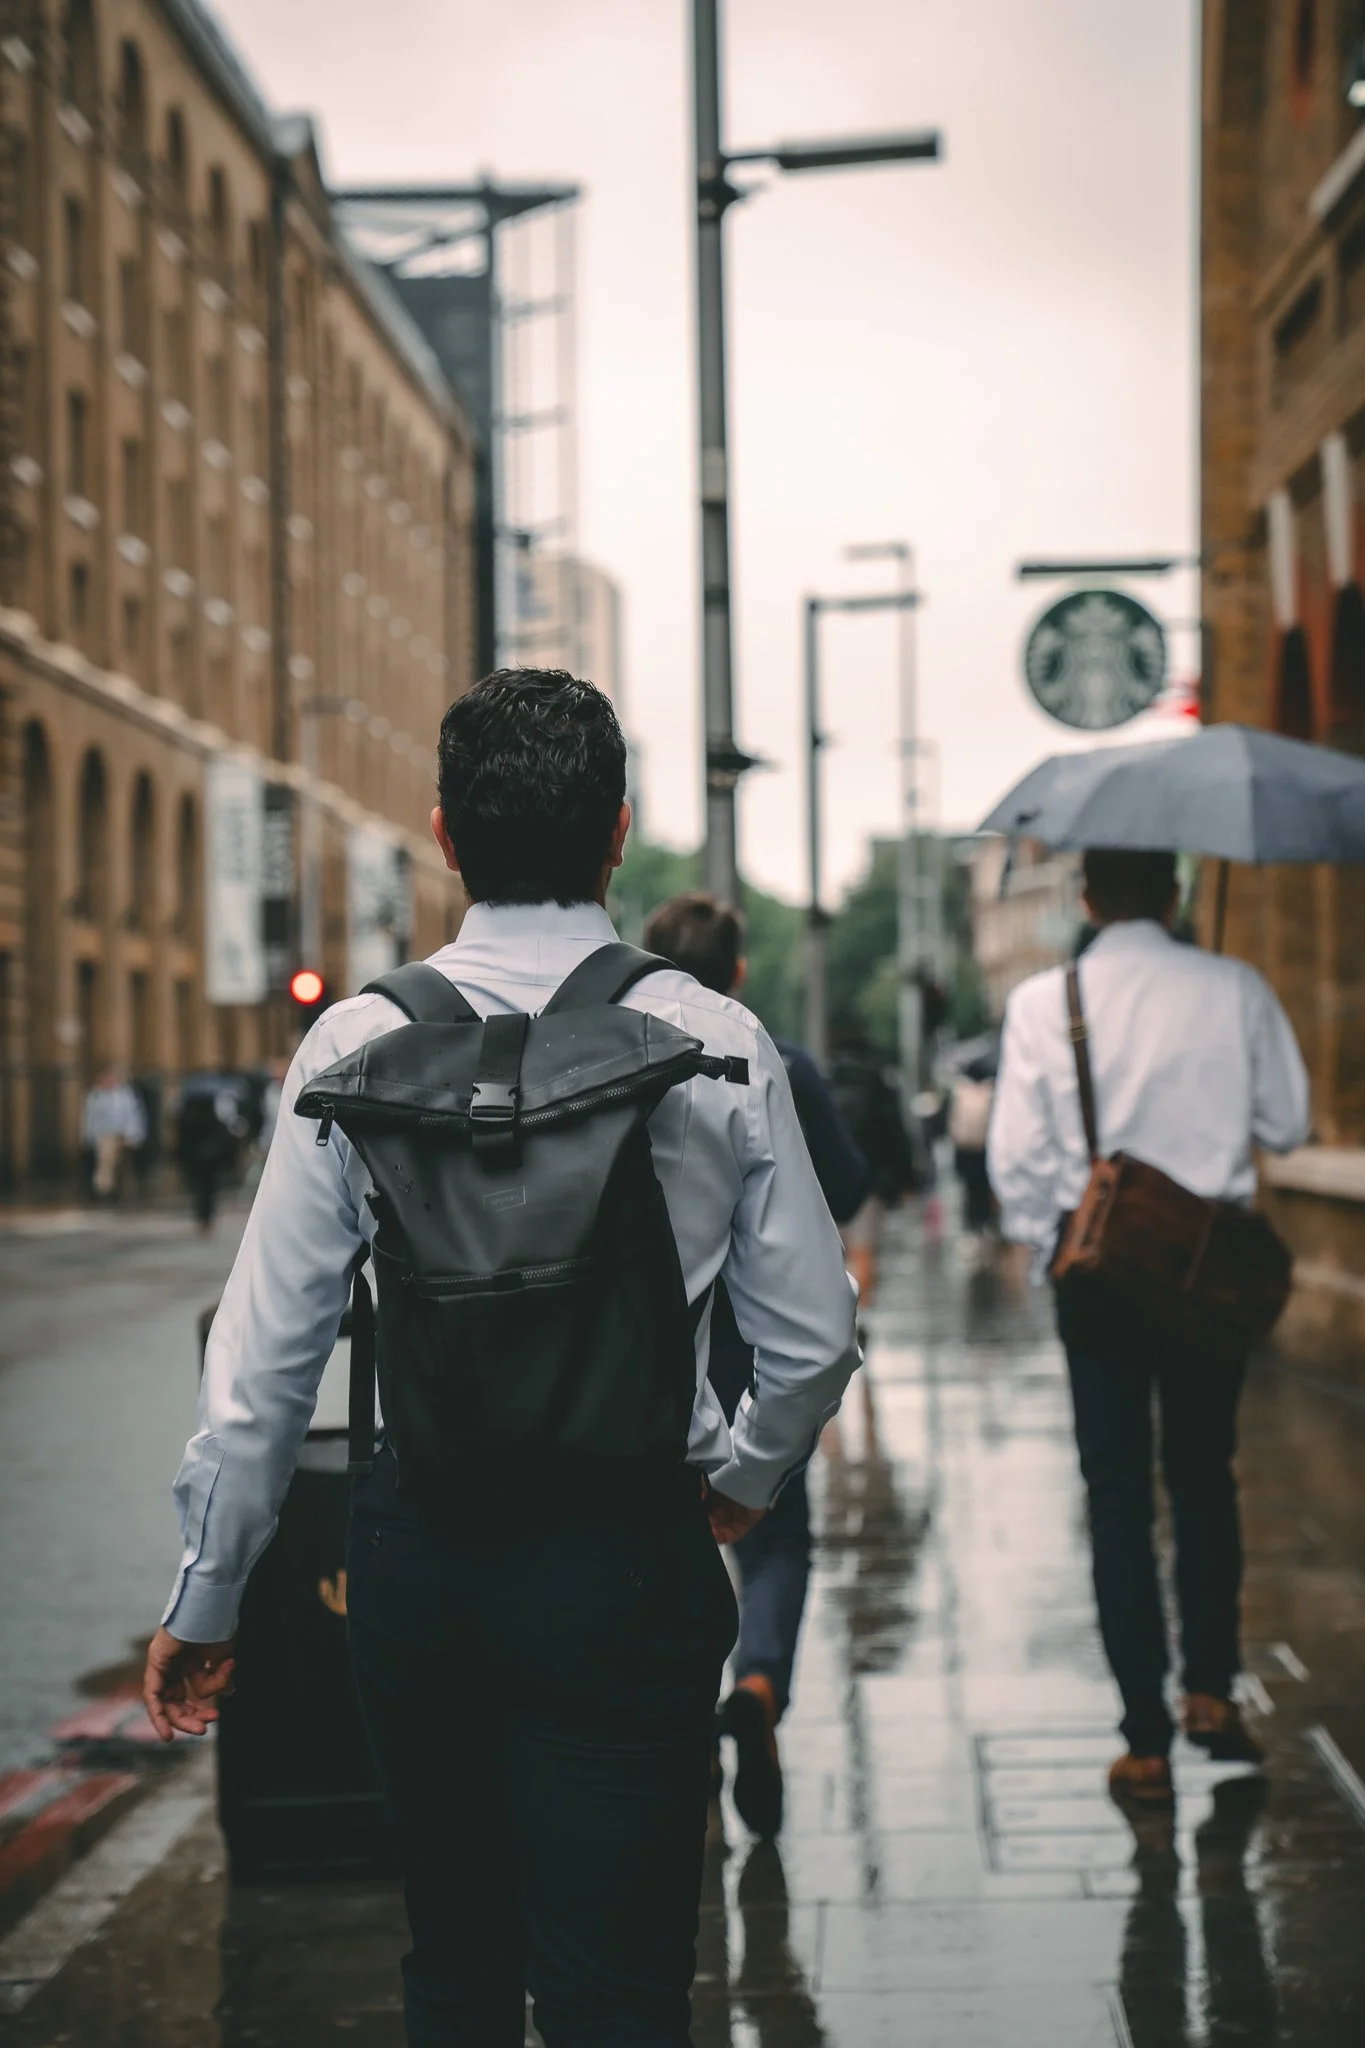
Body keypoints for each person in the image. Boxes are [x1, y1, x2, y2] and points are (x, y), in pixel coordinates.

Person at [142, 669, 858, 2048]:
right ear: (618, 834)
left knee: (456, 1959)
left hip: (423, 1560)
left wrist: (211, 1594)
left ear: (445, 837)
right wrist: (742, 1483)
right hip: (630, 1552)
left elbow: (262, 1372)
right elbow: (813, 1343)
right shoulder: (711, 1038)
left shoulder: (355, 1044)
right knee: (624, 1980)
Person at [987, 848, 1309, 1807]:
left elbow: (1016, 1166)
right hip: (1210, 1274)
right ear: (1171, 892)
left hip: (1101, 1279)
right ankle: (1209, 1689)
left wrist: (1058, 1228)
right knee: (1205, 1478)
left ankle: (1143, 1738)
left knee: (1117, 1498)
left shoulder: (1049, 1003)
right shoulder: (1236, 986)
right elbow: (1286, 1124)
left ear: (1085, 895)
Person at [642, 891, 870, 1837]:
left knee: (667, 1544)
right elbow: (849, 1184)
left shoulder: (614, 1053)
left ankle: (687, 1724)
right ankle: (763, 1681)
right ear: (737, 971)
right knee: (775, 1535)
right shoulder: (779, 1060)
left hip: (661, 1347)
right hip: (760, 1342)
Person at [826, 1030, 918, 1304]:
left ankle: (838, 1315)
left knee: (834, 1253)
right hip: (870, 1181)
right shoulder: (877, 1080)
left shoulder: (824, 1079)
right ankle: (859, 1314)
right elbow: (895, 1131)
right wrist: (906, 1178)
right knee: (864, 1251)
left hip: (828, 1181)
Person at [175, 1080, 245, 1233]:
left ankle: (203, 1218)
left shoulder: (187, 1110)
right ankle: (206, 1218)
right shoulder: (214, 1108)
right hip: (208, 1154)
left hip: (198, 1154)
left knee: (201, 1189)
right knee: (208, 1188)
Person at [81, 1065, 147, 1201]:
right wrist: (89, 1136)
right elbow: (90, 1118)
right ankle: (104, 1187)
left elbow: (132, 1115)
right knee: (106, 1160)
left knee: (121, 1163)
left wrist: (134, 1135)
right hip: (104, 1134)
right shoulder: (95, 1096)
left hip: (123, 1134)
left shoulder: (125, 1095)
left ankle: (120, 1187)